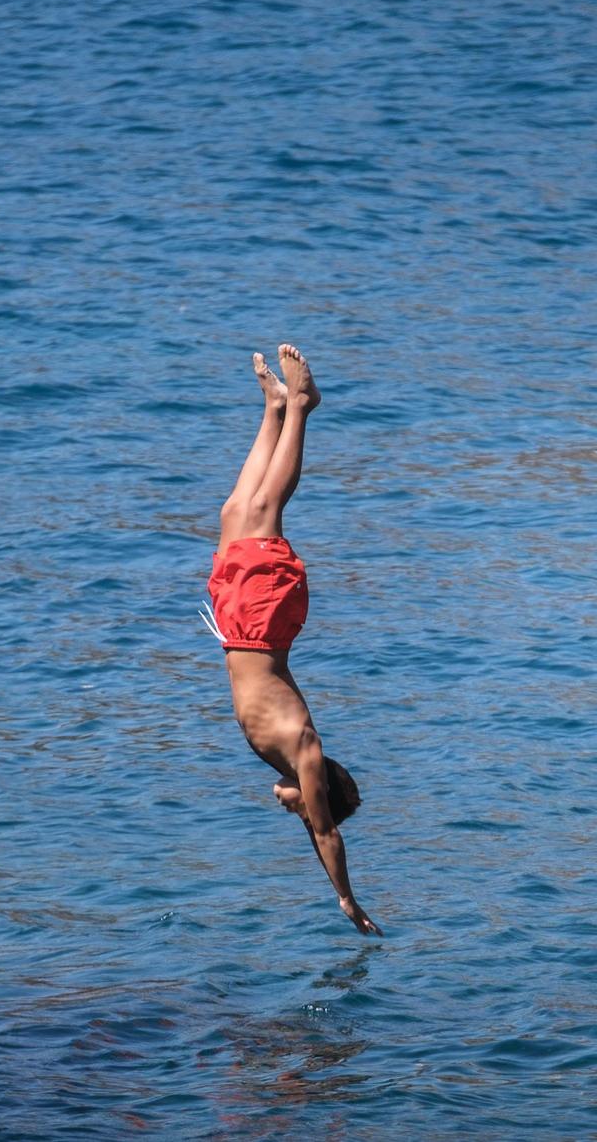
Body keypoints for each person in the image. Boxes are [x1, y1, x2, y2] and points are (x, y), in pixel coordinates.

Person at [200, 344, 383, 937]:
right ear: (315, 794)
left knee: (235, 511)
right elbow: (325, 833)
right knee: (264, 507)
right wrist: (347, 900)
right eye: (308, 809)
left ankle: (274, 408)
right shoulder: (304, 752)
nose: (298, 815)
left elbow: (315, 828)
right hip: (261, 622)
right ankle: (303, 406)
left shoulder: (290, 761)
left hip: (239, 628)